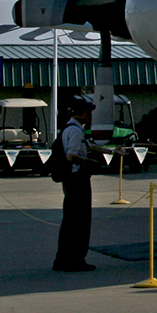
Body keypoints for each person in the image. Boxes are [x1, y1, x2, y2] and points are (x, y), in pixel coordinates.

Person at [52, 96, 108, 273]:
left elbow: (89, 146)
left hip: (71, 179)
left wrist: (110, 151)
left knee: (70, 219)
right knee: (79, 220)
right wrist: (91, 162)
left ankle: (63, 259)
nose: (89, 116)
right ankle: (75, 259)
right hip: (78, 179)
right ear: (82, 114)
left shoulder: (70, 129)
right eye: (88, 113)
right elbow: (72, 155)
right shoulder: (75, 131)